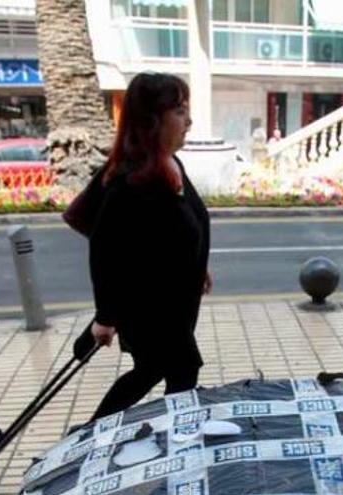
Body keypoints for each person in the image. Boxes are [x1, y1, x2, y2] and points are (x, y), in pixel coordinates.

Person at [88, 72, 211, 421]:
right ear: (151, 120)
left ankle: (91, 433)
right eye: (180, 112)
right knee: (183, 367)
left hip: (174, 301)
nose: (189, 121)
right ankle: (177, 431)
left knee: (153, 369)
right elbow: (104, 250)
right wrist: (106, 317)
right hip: (147, 304)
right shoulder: (132, 180)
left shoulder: (171, 164)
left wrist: (199, 267)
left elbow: (183, 228)